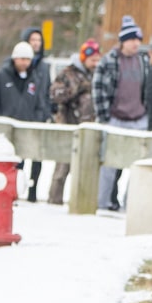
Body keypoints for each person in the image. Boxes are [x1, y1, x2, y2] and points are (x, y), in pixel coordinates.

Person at [93, 17, 152, 212]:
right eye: (132, 39)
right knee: (108, 166)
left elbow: (147, 89)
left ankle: (131, 206)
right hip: (116, 118)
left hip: (138, 118)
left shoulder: (143, 60)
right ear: (123, 41)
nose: (136, 43)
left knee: (137, 167)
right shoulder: (109, 60)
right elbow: (98, 89)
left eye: (138, 39)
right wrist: (104, 118)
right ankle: (101, 203)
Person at [0, 40, 51, 200]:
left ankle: (29, 194)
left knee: (31, 162)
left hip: (27, 127)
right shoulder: (1, 77)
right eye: (21, 59)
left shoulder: (34, 79)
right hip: (5, 130)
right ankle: (7, 194)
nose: (24, 63)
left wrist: (36, 120)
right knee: (8, 164)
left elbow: (40, 103)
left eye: (28, 59)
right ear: (14, 58)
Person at [47, 40, 100, 205]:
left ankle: (82, 202)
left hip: (89, 124)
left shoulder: (97, 74)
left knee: (87, 168)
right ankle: (54, 200)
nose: (95, 63)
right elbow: (55, 94)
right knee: (63, 167)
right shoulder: (67, 73)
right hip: (69, 124)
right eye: (93, 60)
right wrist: (76, 90)